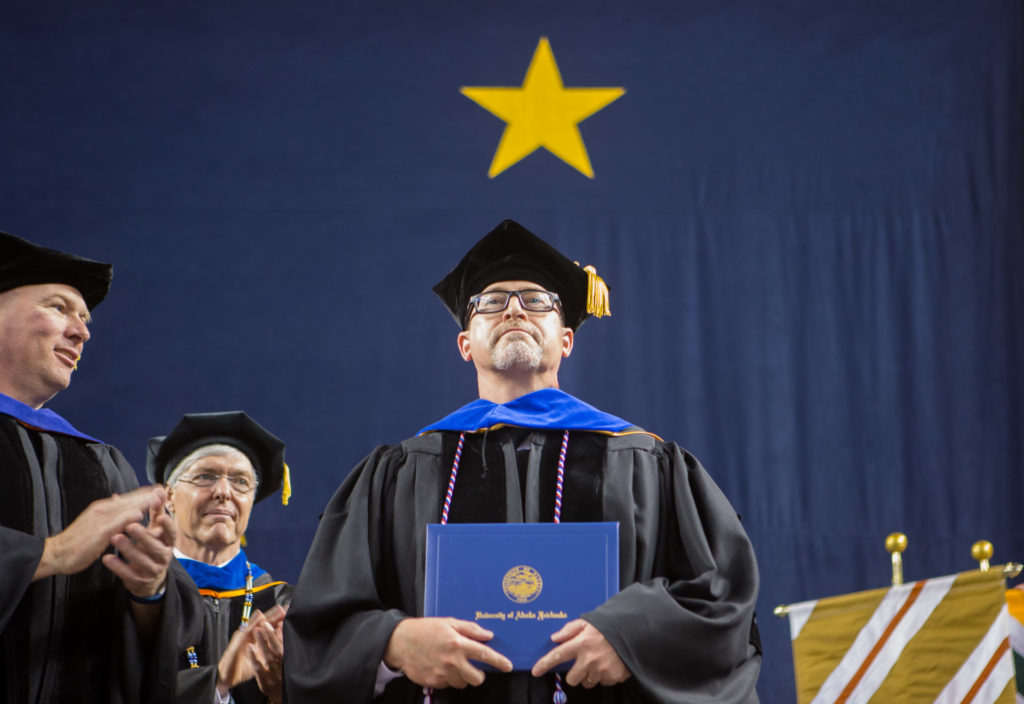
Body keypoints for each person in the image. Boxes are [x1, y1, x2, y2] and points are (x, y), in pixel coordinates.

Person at [283, 219, 762, 703]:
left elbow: (723, 600)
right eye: (491, 302)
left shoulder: (648, 463)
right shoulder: (400, 472)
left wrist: (634, 637)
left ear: (566, 339)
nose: (514, 309)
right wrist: (391, 645)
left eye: (536, 300)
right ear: (465, 345)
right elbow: (320, 627)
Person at [0, 230, 201, 704]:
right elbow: (60, 553)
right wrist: (51, 554)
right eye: (58, 307)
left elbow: (174, 639)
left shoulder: (101, 464)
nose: (82, 331)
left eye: (85, 319)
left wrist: (149, 590)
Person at [146, 411, 294, 704]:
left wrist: (282, 694)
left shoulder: (284, 606)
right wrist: (219, 681)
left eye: (241, 482)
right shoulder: (140, 601)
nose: (224, 492)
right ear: (169, 497)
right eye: (205, 476)